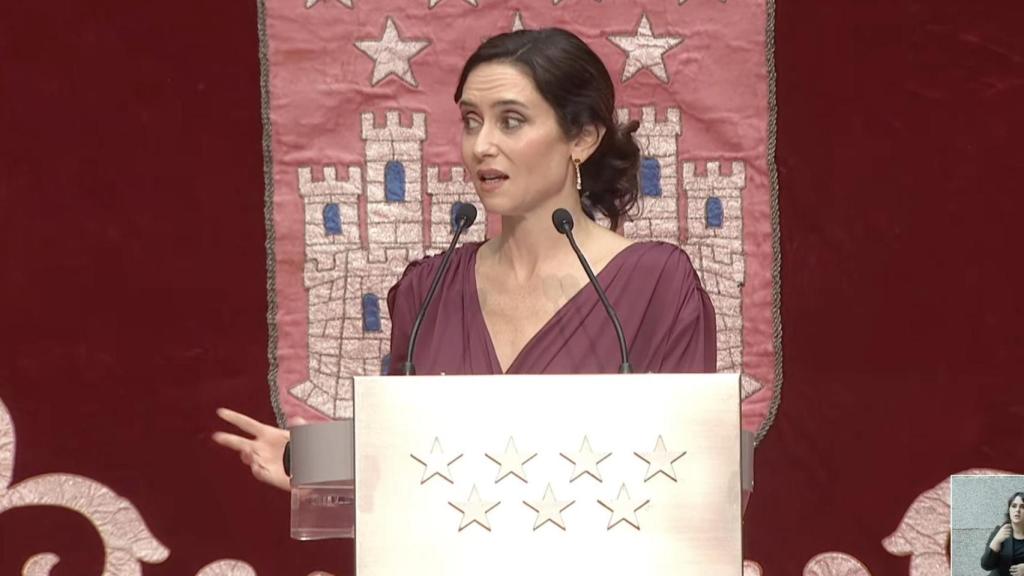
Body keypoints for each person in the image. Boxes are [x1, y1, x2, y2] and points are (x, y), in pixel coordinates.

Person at [214, 28, 715, 489]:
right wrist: (325, 474)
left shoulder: (657, 286)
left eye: (511, 121)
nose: (481, 146)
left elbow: (686, 478)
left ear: (582, 138)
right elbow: (412, 474)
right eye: (471, 121)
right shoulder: (427, 291)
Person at [982, 492, 1024, 576]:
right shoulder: (999, 531)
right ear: (1009, 510)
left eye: (1022, 507)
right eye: (1014, 506)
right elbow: (986, 565)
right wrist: (996, 541)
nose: (1017, 510)